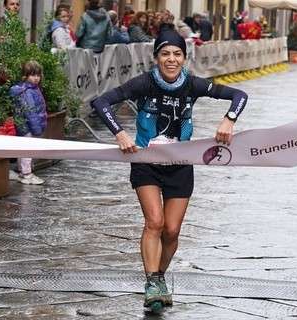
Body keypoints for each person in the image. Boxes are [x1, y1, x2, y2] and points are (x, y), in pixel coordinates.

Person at [90, 30, 248, 309]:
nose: (171, 59)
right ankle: (152, 282)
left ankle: (158, 278)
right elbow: (101, 102)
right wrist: (119, 133)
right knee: (155, 222)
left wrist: (229, 120)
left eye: (177, 54)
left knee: (172, 231)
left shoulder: (194, 85)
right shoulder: (144, 83)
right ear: (156, 58)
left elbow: (239, 95)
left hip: (180, 166)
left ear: (184, 58)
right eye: (165, 54)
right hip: (146, 164)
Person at [9, 61, 47, 185]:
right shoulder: (27, 92)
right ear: (25, 76)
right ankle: (27, 174)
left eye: (38, 75)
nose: (36, 78)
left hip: (23, 125)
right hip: (28, 126)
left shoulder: (31, 89)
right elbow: (30, 112)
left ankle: (22, 171)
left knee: (23, 149)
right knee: (28, 150)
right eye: (32, 75)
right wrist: (36, 129)